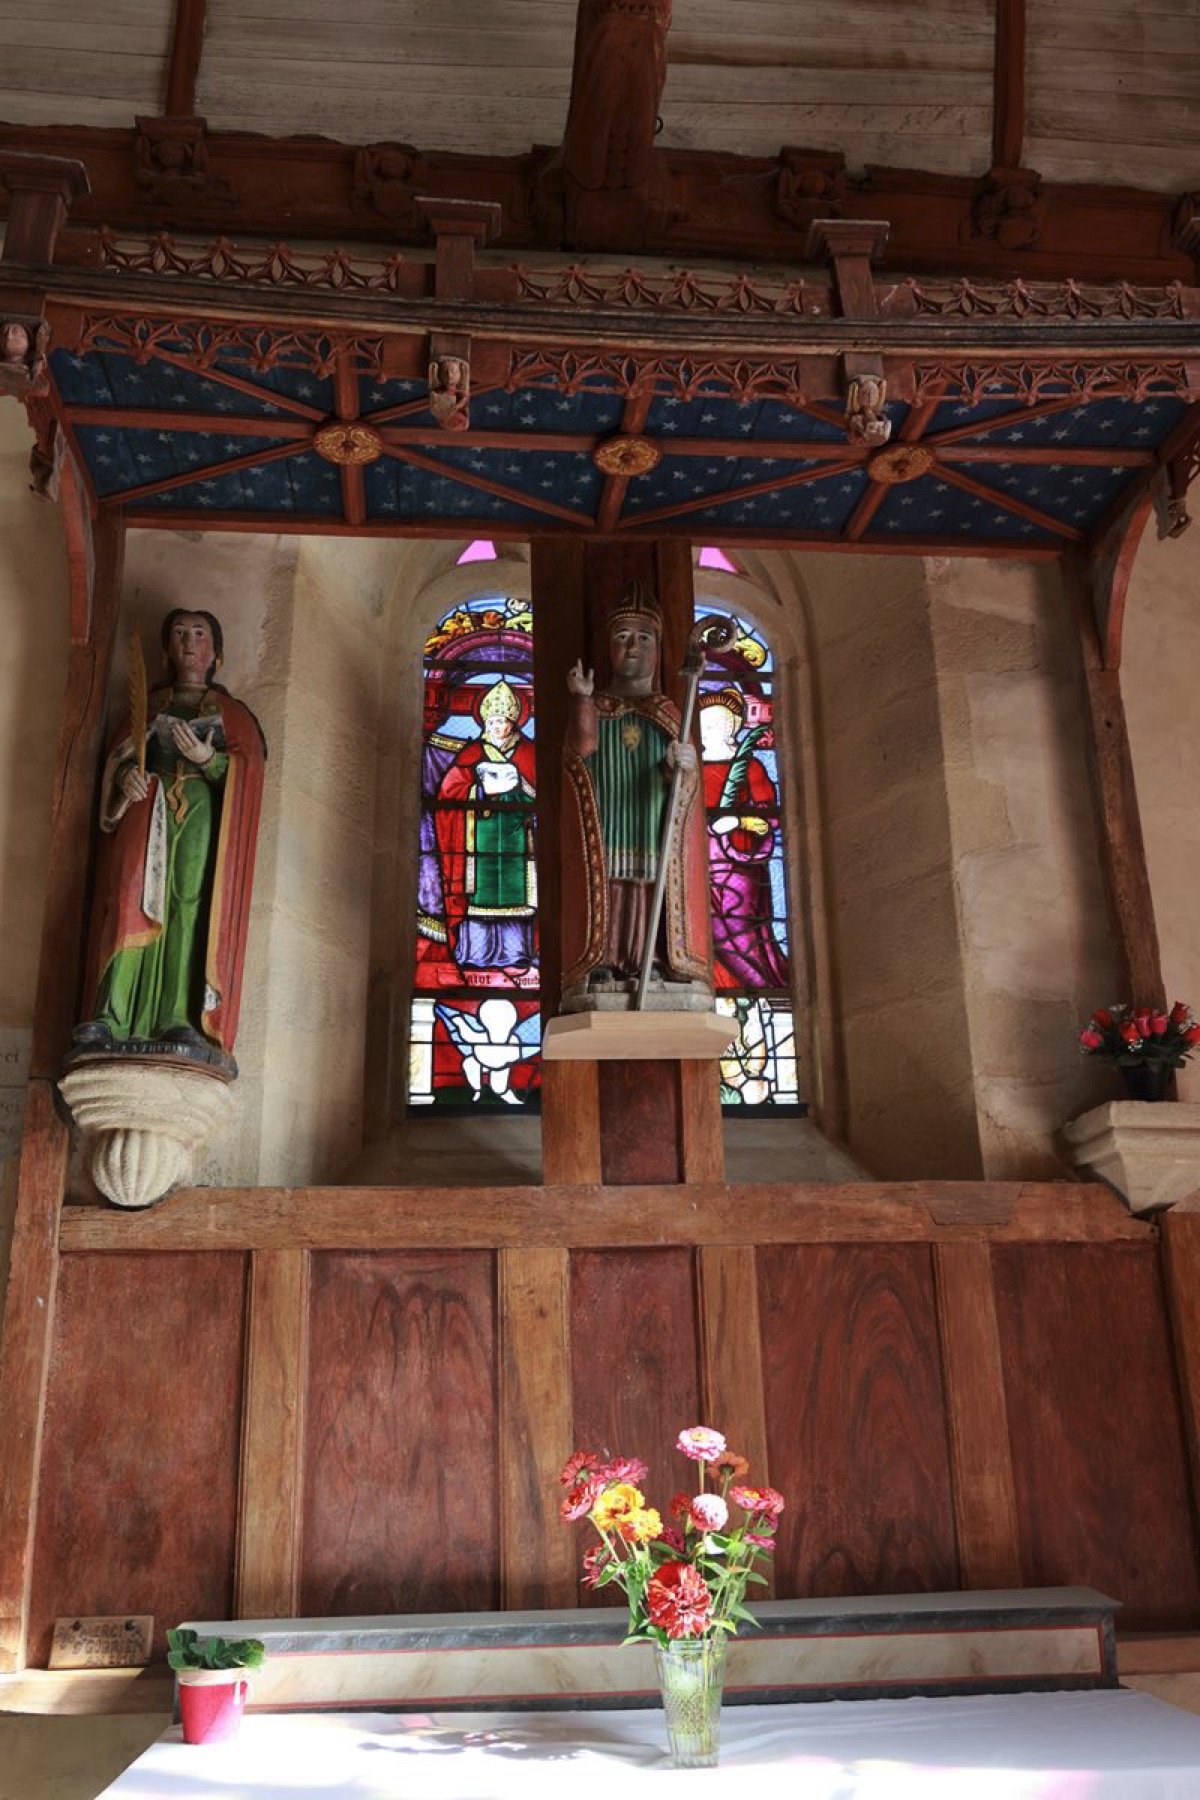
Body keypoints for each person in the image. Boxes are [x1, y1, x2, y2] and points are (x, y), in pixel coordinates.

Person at [74, 609, 266, 1061]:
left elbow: (248, 772)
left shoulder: (231, 715)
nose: (189, 643)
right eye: (179, 633)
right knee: (128, 899)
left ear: (217, 654)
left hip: (199, 815)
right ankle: (111, 1015)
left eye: (199, 634)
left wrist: (208, 759)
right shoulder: (148, 708)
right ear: (165, 651)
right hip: (146, 811)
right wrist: (125, 779)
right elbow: (119, 759)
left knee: (188, 904)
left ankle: (177, 1016)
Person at [561, 582, 712, 1002]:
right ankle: (606, 959)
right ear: (609, 648)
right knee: (610, 884)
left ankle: (658, 959)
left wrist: (681, 765)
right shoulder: (597, 705)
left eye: (644, 638)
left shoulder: (668, 712)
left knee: (651, 884)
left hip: (651, 822)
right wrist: (581, 700)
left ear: (658, 650)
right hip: (608, 818)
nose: (632, 647)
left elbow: (684, 786)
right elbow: (581, 749)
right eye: (622, 637)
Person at [434, 678, 537, 974]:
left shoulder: (530, 753)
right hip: (478, 840)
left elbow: (545, 795)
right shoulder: (471, 753)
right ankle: (477, 953)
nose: (496, 726)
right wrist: (476, 790)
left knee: (518, 896)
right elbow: (448, 792)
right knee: (478, 898)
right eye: (491, 721)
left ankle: (517, 953)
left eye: (502, 721)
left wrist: (520, 788)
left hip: (517, 840)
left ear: (513, 723)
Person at [699, 686, 789, 991]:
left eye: (716, 723)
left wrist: (737, 821)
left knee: (739, 933)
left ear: (733, 725)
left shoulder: (750, 767)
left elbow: (769, 818)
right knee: (701, 929)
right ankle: (716, 989)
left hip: (739, 866)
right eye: (704, 723)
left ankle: (760, 987)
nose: (710, 729)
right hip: (697, 865)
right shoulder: (691, 767)